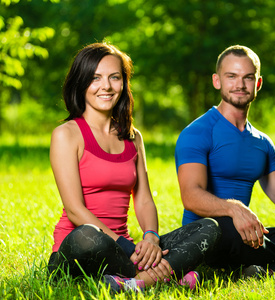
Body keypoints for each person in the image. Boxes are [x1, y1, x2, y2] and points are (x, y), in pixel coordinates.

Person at [47, 42, 221, 293]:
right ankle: (163, 275)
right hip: (82, 247)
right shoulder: (66, 135)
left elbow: (144, 200)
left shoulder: (132, 137)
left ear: (123, 83)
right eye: (95, 78)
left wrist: (150, 237)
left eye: (114, 77)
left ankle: (132, 283)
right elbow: (75, 210)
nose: (106, 86)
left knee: (209, 227)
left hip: (129, 249)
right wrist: (129, 249)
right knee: (88, 235)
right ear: (81, 82)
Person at [175, 45, 275, 276]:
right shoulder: (198, 132)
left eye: (248, 77)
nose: (240, 84)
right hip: (211, 234)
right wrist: (233, 208)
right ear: (217, 81)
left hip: (247, 236)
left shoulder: (262, 142)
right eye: (231, 76)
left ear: (258, 83)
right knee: (223, 225)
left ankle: (269, 269)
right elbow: (191, 196)